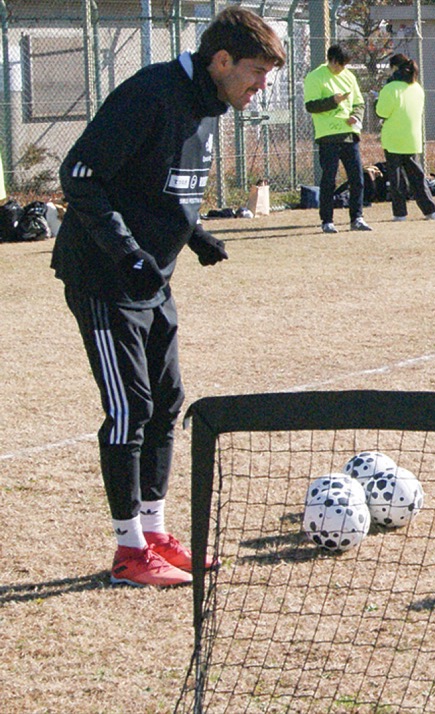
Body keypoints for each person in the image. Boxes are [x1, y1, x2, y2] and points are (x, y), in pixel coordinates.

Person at [51, 7, 286, 586]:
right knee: (130, 407)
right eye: (257, 73)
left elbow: (157, 186)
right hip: (105, 277)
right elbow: (80, 174)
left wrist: (195, 234)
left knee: (167, 399)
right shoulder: (151, 93)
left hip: (152, 278)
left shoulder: (208, 105)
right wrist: (127, 253)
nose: (262, 87)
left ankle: (154, 532)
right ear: (222, 61)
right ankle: (129, 553)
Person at [304, 45, 372, 234]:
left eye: (345, 65)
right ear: (331, 60)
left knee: (357, 178)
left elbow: (359, 102)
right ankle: (327, 220)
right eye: (339, 64)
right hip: (328, 137)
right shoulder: (315, 77)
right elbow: (311, 106)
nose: (342, 68)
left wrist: (357, 117)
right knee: (329, 180)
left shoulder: (349, 76)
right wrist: (333, 101)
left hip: (349, 135)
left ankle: (357, 218)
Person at [375, 53, 435, 222]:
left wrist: (378, 100)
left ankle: (400, 213)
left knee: (396, 180)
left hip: (393, 140)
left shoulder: (390, 89)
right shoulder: (417, 88)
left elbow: (381, 112)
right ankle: (431, 211)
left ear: (394, 68)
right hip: (412, 138)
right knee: (417, 178)